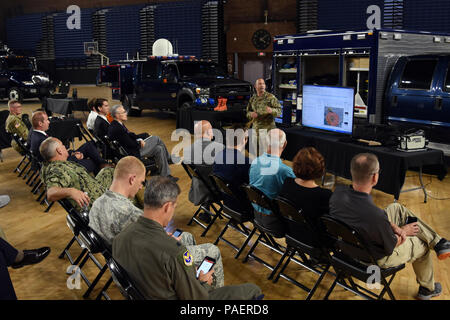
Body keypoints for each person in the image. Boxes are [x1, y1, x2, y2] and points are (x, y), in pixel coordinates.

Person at [113, 176, 263, 300]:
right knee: (253, 290)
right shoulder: (174, 252)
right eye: (174, 207)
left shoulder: (120, 238)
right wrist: (204, 283)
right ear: (166, 207)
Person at [328, 153, 450, 300]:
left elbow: (374, 218)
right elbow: (391, 246)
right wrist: (403, 230)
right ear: (375, 177)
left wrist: (393, 226)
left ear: (352, 172)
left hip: (349, 246)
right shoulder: (375, 217)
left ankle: (438, 242)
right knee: (422, 245)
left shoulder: (337, 194)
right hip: (374, 258)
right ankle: (427, 289)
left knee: (396, 208)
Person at [89, 156, 225, 288]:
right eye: (141, 182)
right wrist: (168, 240)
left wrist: (165, 238)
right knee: (212, 251)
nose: (141, 187)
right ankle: (208, 293)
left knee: (187, 237)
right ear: (132, 179)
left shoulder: (97, 204)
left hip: (122, 269)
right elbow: (157, 247)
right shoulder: (130, 213)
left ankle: (190, 282)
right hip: (144, 272)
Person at [39, 137, 114, 210]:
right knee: (121, 173)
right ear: (59, 151)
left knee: (108, 170)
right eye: (62, 145)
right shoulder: (57, 169)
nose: (64, 146)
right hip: (98, 201)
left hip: (94, 188)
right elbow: (50, 193)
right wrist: (71, 191)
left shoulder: (59, 164)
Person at [107, 105, 177, 181]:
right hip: (132, 153)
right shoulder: (117, 128)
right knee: (156, 138)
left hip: (130, 150)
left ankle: (166, 176)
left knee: (159, 149)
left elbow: (129, 135)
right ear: (117, 115)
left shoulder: (117, 124)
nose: (126, 113)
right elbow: (131, 144)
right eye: (124, 112)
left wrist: (139, 138)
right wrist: (139, 142)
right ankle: (169, 158)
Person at [279, 147, 332, 245]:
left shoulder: (287, 183)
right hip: (314, 241)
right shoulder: (324, 195)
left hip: (291, 233)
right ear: (320, 168)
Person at [249, 128, 295, 237]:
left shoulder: (255, 162)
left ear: (265, 142)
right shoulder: (286, 171)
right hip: (276, 223)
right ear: (285, 144)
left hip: (256, 216)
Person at [29, 111, 108, 174]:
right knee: (93, 161)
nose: (49, 122)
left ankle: (103, 163)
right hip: (66, 166)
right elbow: (57, 161)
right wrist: (74, 157)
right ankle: (103, 169)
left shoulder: (36, 134)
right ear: (40, 123)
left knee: (89, 145)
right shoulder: (41, 140)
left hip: (65, 157)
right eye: (46, 120)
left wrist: (71, 153)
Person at [184, 120, 224, 222]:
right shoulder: (220, 148)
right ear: (209, 132)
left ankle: (206, 212)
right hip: (217, 191)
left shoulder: (188, 150)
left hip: (198, 189)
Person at [213, 124, 252, 212]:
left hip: (226, 202)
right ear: (244, 140)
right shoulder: (246, 162)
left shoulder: (219, 154)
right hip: (242, 207)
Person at [246, 78, 282, 155]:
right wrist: (251, 114)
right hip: (255, 130)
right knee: (255, 154)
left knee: (266, 155)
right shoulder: (253, 99)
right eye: (260, 84)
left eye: (263, 84)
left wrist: (272, 111)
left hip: (267, 130)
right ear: (255, 86)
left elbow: (279, 110)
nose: (262, 85)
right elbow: (247, 112)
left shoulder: (270, 97)